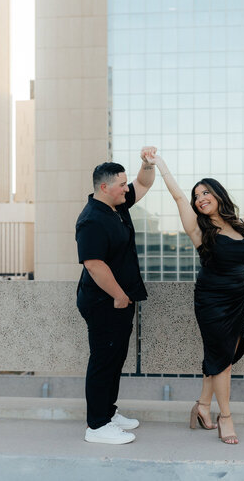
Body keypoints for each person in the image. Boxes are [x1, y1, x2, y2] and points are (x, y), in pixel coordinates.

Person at [147, 153, 244, 445]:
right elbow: (177, 198)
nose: (200, 198)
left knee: (222, 356)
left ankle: (201, 406)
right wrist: (160, 164)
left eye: (205, 192)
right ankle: (226, 418)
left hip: (237, 302)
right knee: (223, 362)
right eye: (197, 196)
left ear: (218, 194)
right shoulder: (199, 230)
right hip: (211, 302)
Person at [75, 148, 157, 444]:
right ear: (104, 187)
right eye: (122, 184)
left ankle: (108, 412)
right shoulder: (91, 220)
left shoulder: (117, 205)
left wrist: (147, 164)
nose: (127, 188)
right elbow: (94, 265)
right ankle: (97, 426)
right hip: (105, 301)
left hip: (120, 300)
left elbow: (144, 183)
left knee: (114, 358)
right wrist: (120, 296)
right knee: (103, 360)